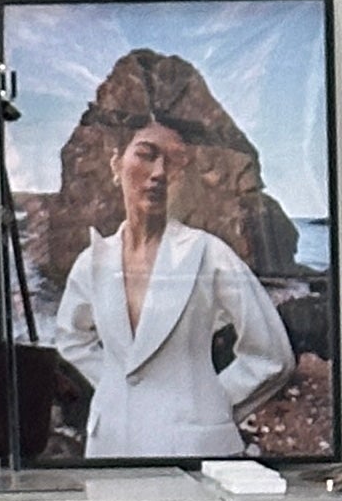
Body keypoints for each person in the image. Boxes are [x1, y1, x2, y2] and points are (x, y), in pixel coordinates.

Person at [50, 114, 293, 459]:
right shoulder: (93, 262)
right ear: (116, 163)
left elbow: (270, 354)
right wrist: (116, 385)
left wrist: (211, 402)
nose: (159, 172)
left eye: (174, 161)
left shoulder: (209, 254)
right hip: (112, 444)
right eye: (146, 154)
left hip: (194, 447)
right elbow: (72, 337)